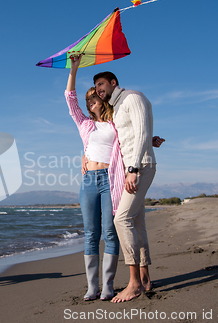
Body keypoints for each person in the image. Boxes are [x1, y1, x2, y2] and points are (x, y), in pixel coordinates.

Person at [94, 70, 158, 303]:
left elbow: (141, 133)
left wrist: (132, 170)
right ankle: (144, 279)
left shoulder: (132, 98)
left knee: (121, 219)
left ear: (113, 83)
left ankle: (133, 284)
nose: (99, 89)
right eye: (96, 86)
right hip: (133, 167)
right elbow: (135, 135)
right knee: (137, 221)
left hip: (138, 167)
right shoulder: (118, 106)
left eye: (101, 84)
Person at [65, 55, 125, 301]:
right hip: (89, 180)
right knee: (91, 233)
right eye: (87, 99)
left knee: (110, 232)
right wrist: (74, 68)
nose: (90, 102)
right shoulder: (84, 125)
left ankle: (108, 285)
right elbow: (70, 98)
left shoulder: (115, 123)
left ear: (102, 99)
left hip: (110, 180)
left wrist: (151, 141)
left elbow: (130, 139)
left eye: (94, 98)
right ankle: (93, 287)